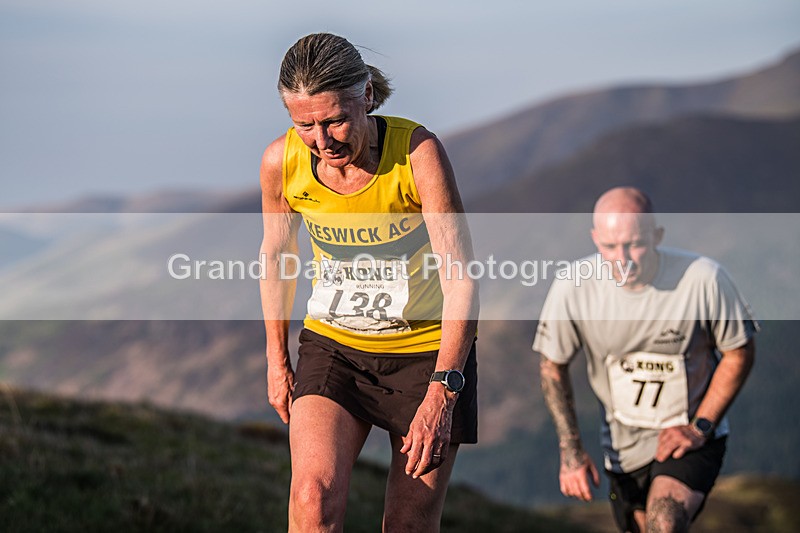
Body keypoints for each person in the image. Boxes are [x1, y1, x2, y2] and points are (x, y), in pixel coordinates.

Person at [259, 33, 478, 532]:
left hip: (427, 355)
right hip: (335, 346)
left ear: (368, 97)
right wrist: (277, 359)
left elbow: (460, 275)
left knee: (407, 525)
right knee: (312, 501)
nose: (322, 139)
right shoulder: (281, 161)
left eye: (335, 119)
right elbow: (276, 256)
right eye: (304, 124)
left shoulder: (416, 152)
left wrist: (444, 390)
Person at [533, 187, 756, 532]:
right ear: (594, 239)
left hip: (689, 436)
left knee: (664, 522)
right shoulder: (573, 286)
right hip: (623, 448)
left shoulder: (703, 279)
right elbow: (552, 366)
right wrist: (571, 452)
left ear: (657, 236)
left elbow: (739, 350)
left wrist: (702, 426)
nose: (623, 258)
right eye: (609, 247)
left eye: (634, 244)